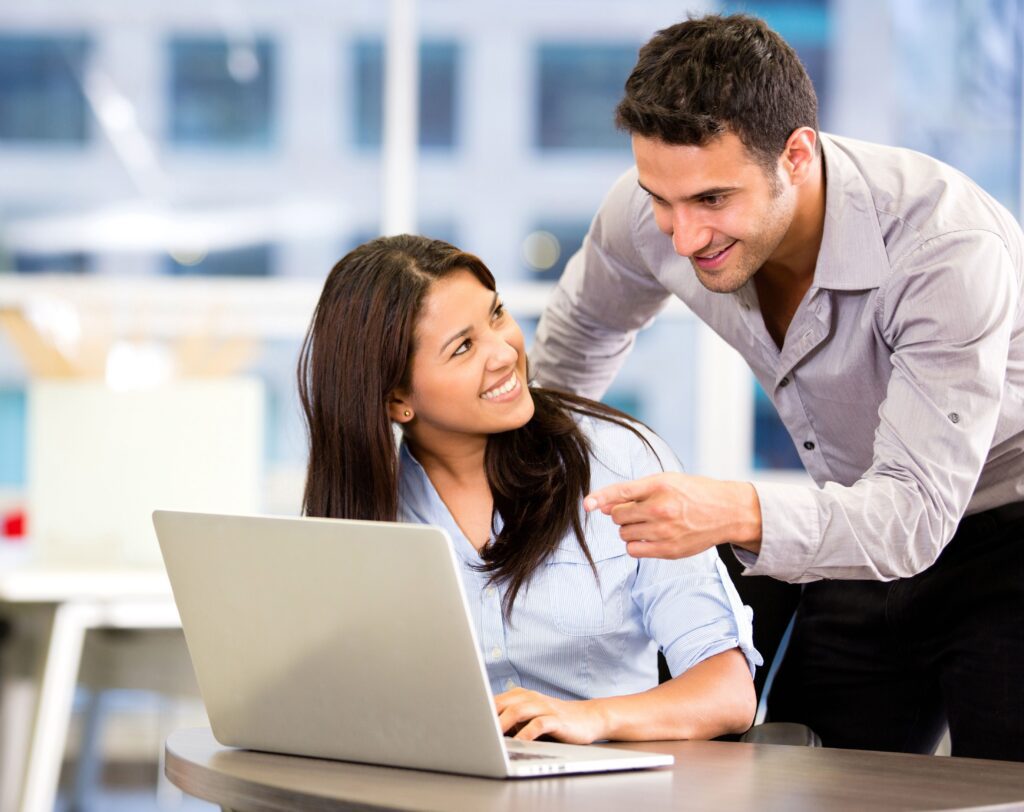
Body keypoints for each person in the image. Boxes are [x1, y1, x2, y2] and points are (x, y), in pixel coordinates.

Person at [531, 13, 1024, 761]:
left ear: (796, 155)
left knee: (999, 791)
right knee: (807, 779)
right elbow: (580, 336)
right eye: (661, 199)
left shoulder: (942, 249)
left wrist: (727, 510)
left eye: (712, 201)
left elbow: (914, 517)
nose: (684, 237)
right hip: (855, 519)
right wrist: (527, 470)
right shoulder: (652, 210)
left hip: (1003, 533)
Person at [297, 234, 760, 744]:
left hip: (605, 779)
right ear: (396, 400)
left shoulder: (618, 460)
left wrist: (592, 717)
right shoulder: (364, 514)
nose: (505, 352)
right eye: (463, 347)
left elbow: (728, 693)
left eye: (496, 315)